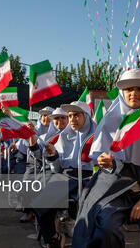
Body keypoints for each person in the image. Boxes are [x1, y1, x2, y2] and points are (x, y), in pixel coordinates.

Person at [73, 69, 140, 248]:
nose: (134, 93)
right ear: (122, 93)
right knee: (105, 227)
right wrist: (104, 162)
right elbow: (101, 159)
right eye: (129, 89)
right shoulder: (110, 121)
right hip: (113, 189)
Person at [30, 103, 96, 247]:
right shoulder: (62, 137)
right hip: (65, 178)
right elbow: (56, 168)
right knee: (39, 206)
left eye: (76, 115)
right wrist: (53, 155)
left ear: (85, 116)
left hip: (88, 180)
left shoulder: (97, 136)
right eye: (70, 116)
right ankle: (53, 237)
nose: (72, 119)